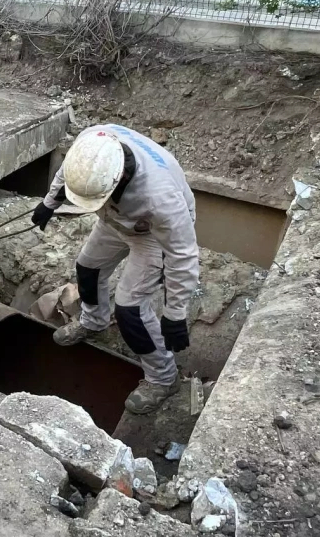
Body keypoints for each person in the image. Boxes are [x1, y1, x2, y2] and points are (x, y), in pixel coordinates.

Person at [30, 125, 199, 414]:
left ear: (118, 179)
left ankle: (163, 378)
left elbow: (182, 255)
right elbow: (67, 173)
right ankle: (94, 322)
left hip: (151, 234)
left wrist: (175, 314)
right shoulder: (91, 146)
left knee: (130, 309)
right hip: (115, 220)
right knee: (88, 268)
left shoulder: (160, 198)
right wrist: (49, 203)